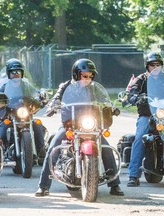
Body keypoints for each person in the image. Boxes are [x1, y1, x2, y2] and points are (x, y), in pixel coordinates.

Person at [35, 58, 124, 197]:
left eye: (90, 76)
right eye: (84, 75)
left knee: (106, 149)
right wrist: (53, 105)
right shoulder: (65, 86)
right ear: (76, 74)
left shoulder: (95, 88)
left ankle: (115, 185)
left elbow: (105, 100)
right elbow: (57, 97)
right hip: (71, 125)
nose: (87, 78)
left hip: (91, 125)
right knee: (53, 147)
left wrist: (111, 107)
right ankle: (43, 185)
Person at [0, 58, 47, 161]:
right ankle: (1, 152)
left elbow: (35, 92)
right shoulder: (5, 86)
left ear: (22, 73)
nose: (16, 74)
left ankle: (41, 151)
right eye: (13, 72)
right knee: (1, 130)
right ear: (9, 73)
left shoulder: (26, 85)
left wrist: (40, 97)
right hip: (11, 116)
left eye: (18, 72)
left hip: (25, 115)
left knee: (37, 124)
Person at [127, 52, 164, 187]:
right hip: (147, 116)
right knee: (140, 137)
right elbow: (133, 91)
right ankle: (133, 175)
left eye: (158, 65)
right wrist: (135, 97)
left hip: (163, 115)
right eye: (152, 65)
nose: (155, 67)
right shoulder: (141, 79)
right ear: (147, 66)